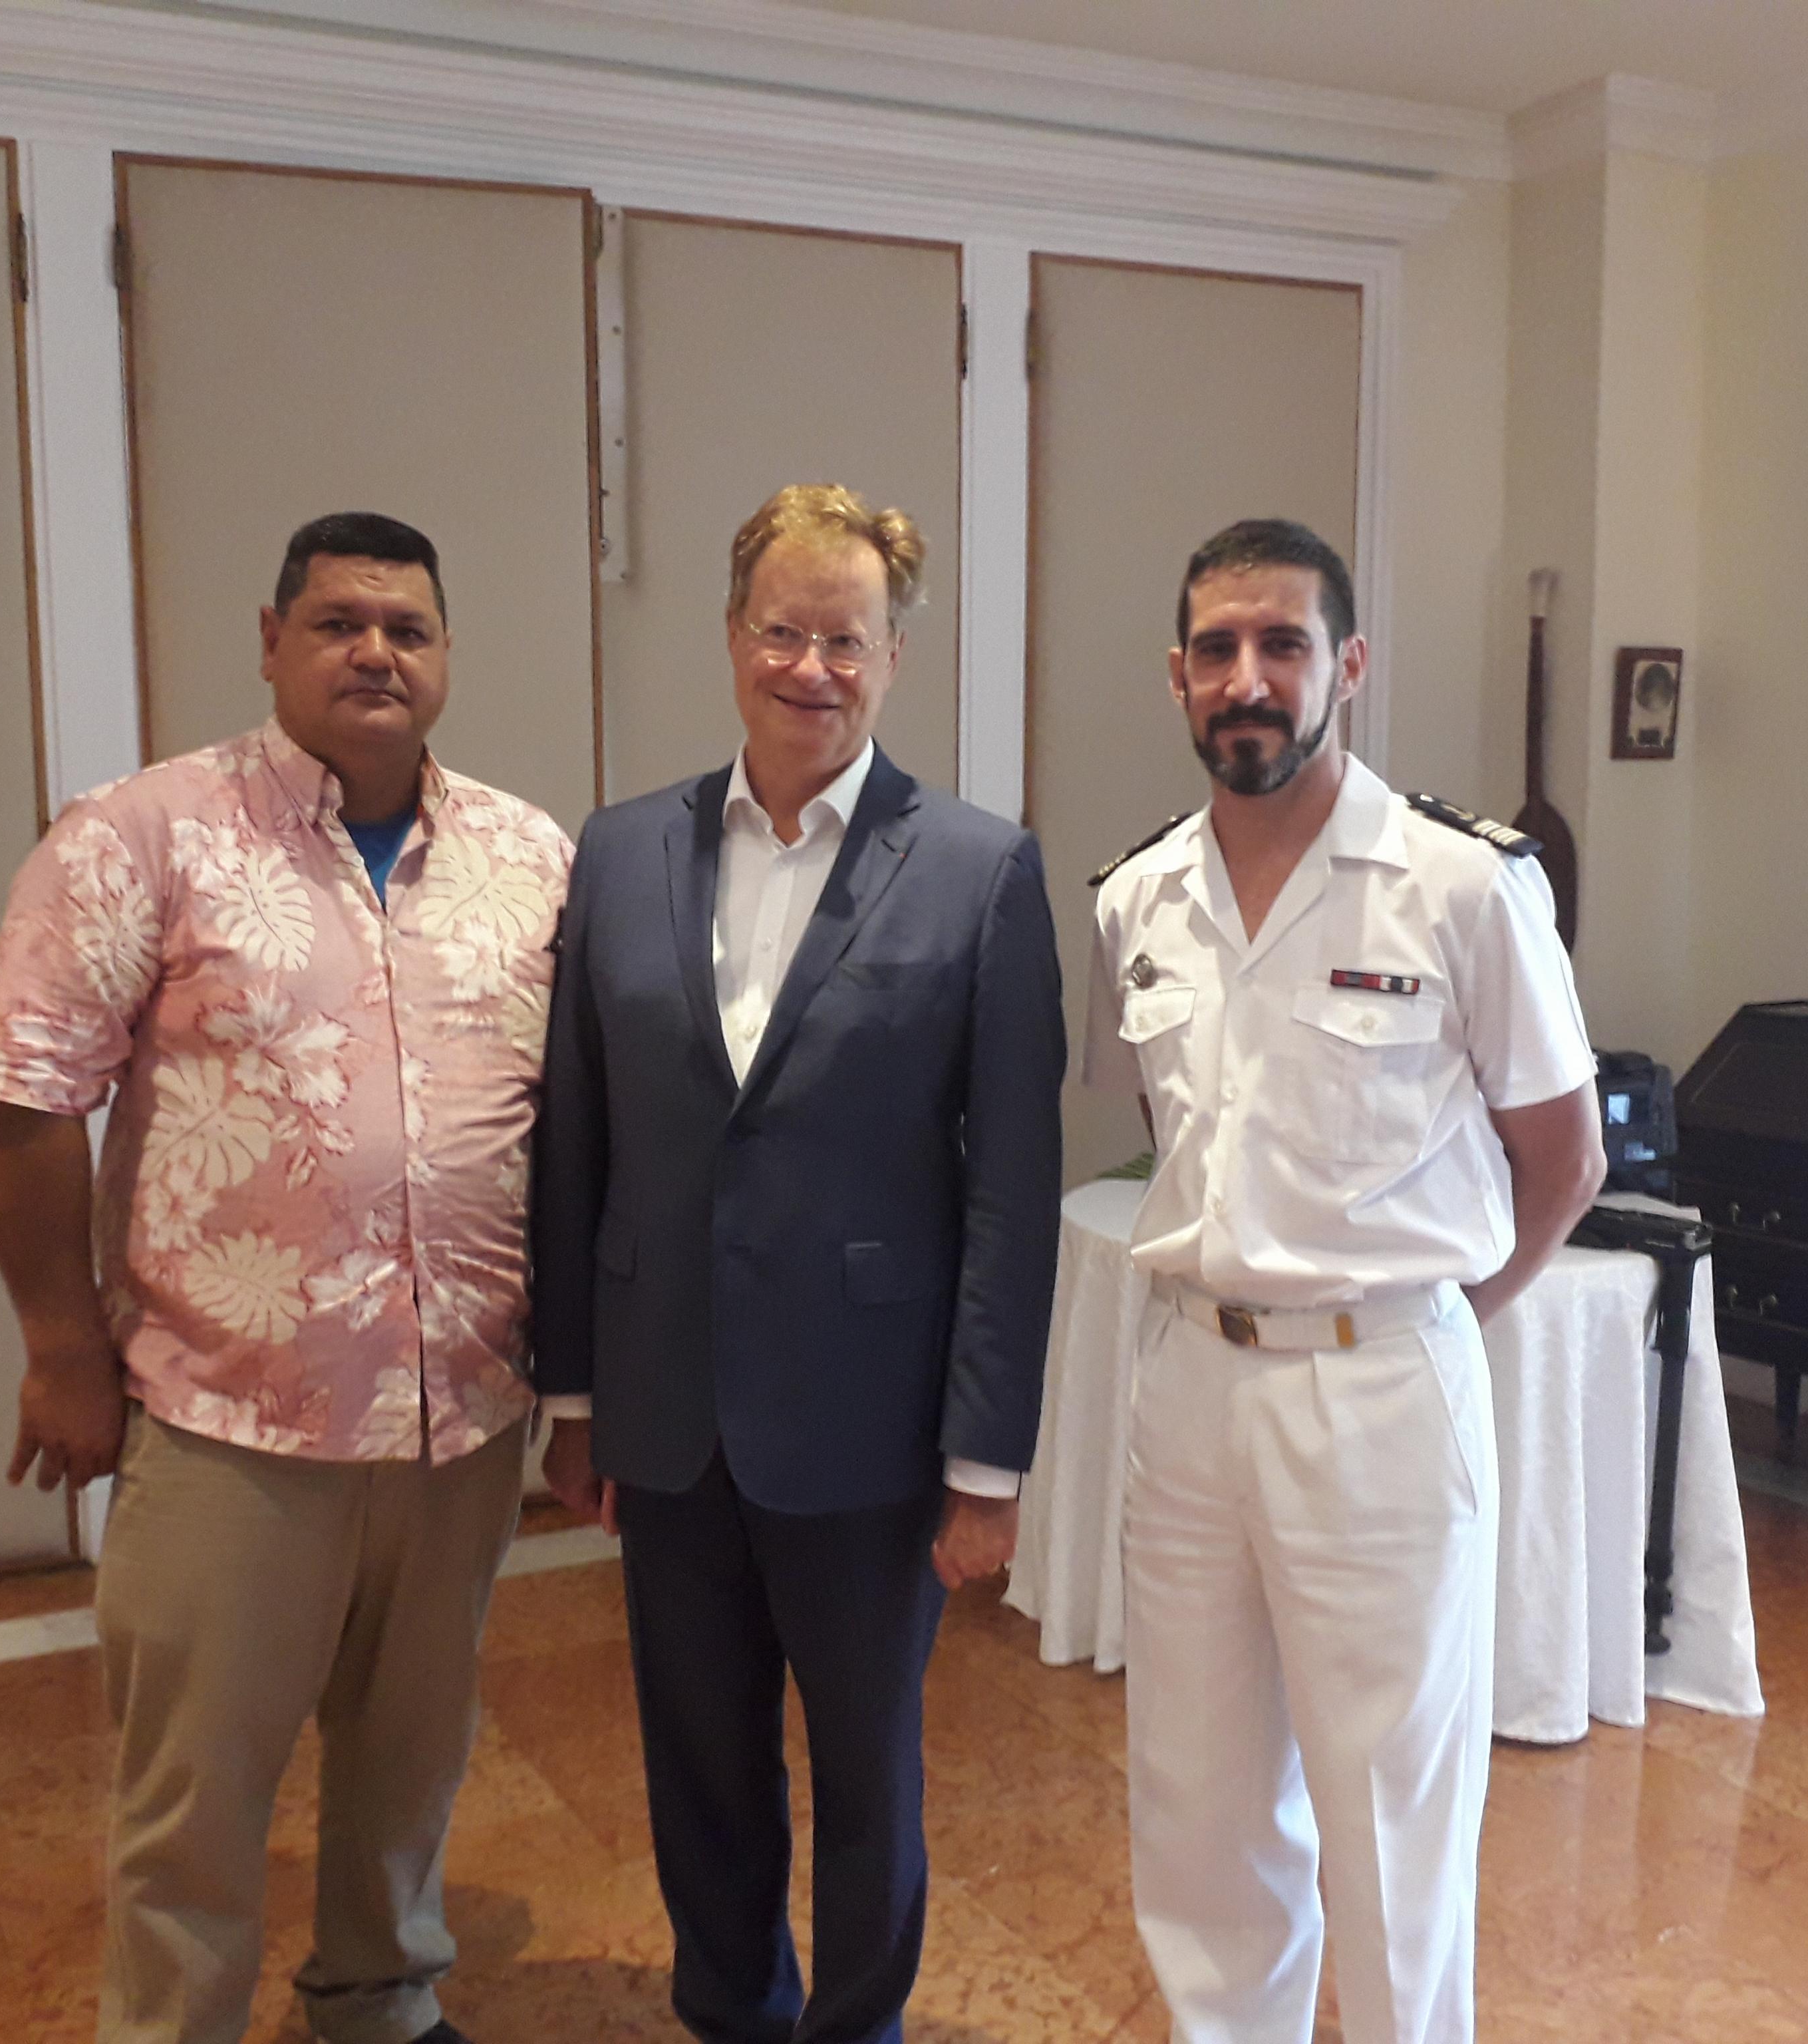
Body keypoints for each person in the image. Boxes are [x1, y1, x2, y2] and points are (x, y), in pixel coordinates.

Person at [0, 512, 570, 2044]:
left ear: (445, 659)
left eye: (408, 628)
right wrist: (61, 1351)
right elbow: (19, 1091)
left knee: (410, 1758)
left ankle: (381, 1997)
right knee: (197, 1792)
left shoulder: (531, 855)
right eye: (340, 621)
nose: (376, 650)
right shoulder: (142, 835)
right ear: (272, 639)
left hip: (462, 1420)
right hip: (236, 1421)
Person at [531, 483, 1064, 2044]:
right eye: (784, 628)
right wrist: (576, 1390)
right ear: (731, 635)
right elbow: (580, 1138)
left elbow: (1012, 1189)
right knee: (695, 1752)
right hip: (669, 1405)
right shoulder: (621, 852)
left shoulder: (978, 867)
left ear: (894, 654)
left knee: (865, 1763)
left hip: (871, 1423)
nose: (810, 665)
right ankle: (731, 2008)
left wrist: (987, 1456)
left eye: (847, 636)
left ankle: (857, 2022)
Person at [1086, 519, 1604, 2044]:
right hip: (1188, 1381)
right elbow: (1176, 1132)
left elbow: (1559, 1156)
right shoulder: (1137, 898)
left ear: (1347, 667)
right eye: (1218, 648)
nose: (1249, 677)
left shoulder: (1460, 885)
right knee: (1195, 1799)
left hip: (1378, 1387)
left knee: (1389, 1816)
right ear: (1178, 675)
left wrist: (1427, 1314)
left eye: (1284, 643)